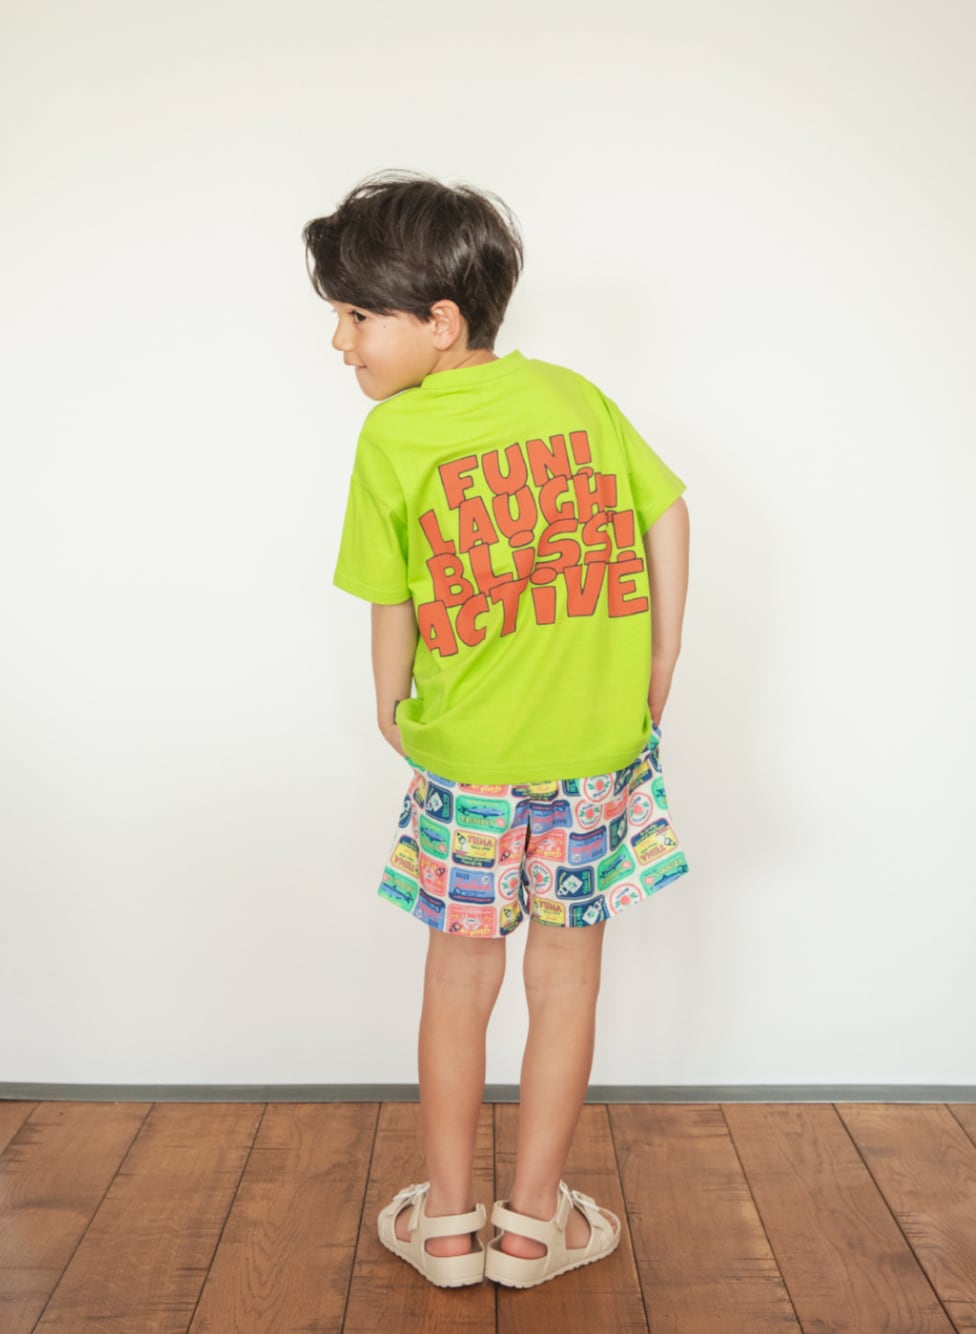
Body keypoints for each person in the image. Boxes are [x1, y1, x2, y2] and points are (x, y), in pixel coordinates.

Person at [301, 171, 691, 1290]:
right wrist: (659, 660)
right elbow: (668, 508)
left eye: (355, 315)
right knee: (567, 983)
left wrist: (390, 703)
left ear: (439, 321)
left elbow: (392, 597)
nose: (339, 342)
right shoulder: (575, 397)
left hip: (468, 765)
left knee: (458, 984)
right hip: (595, 755)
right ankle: (530, 1231)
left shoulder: (395, 436)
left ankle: (446, 1226)